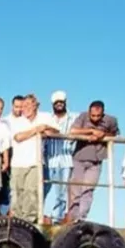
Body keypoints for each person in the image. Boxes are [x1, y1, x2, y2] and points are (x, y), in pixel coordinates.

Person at [9, 94, 58, 223]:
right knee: (17, 192)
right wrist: (36, 130)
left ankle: (29, 220)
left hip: (35, 162)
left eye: (28, 105)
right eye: (24, 106)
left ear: (35, 105)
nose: (25, 108)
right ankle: (17, 220)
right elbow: (18, 137)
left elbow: (55, 131)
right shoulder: (18, 121)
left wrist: (45, 129)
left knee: (31, 192)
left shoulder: (45, 117)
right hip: (18, 162)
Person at [67, 100, 119, 221]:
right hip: (79, 158)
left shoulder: (111, 120)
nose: (95, 118)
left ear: (103, 114)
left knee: (88, 190)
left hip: (96, 160)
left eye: (98, 116)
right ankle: (72, 217)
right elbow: (73, 131)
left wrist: (102, 134)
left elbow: (114, 134)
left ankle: (81, 217)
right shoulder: (82, 116)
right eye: (93, 116)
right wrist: (90, 131)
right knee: (75, 190)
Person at [42, 90, 76, 224]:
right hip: (49, 159)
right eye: (56, 103)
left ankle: (58, 218)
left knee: (61, 193)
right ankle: (39, 215)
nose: (59, 105)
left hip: (66, 159)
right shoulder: (48, 118)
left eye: (61, 102)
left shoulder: (73, 118)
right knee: (43, 189)